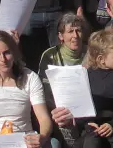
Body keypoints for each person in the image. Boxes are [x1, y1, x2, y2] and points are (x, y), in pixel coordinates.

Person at [0, 31, 55, 148]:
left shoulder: (30, 77)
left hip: (24, 141)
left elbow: (44, 118)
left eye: (7, 53)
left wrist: (42, 136)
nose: (3, 59)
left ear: (14, 52)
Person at [38, 14, 89, 147]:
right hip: (59, 111)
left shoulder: (91, 53)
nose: (75, 36)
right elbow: (45, 90)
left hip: (86, 111)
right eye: (70, 31)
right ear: (61, 36)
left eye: (78, 30)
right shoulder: (50, 55)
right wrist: (61, 111)